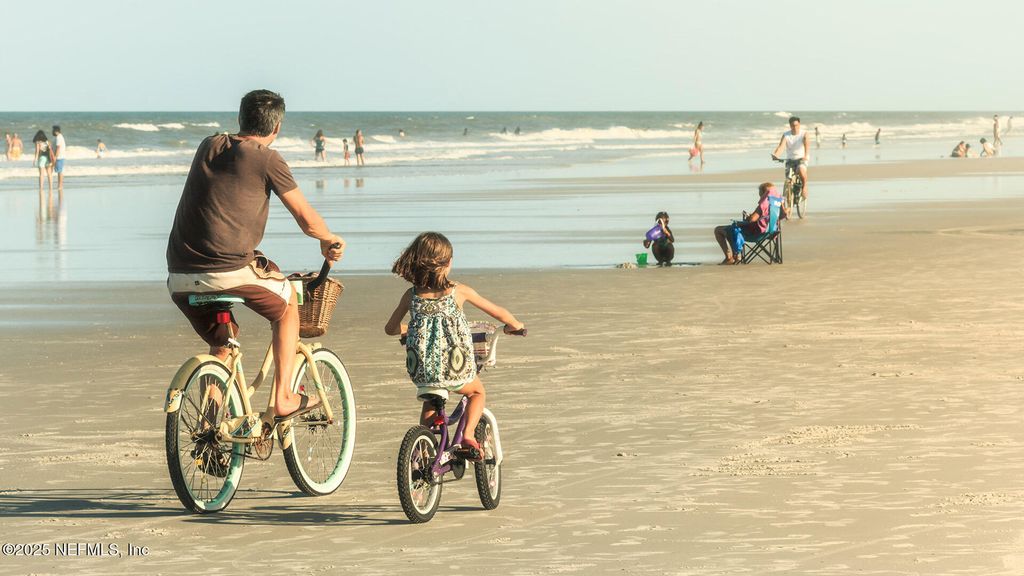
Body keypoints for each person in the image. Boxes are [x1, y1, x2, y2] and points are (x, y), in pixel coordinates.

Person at [166, 89, 345, 421]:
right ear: (277, 127)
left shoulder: (208, 145)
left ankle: (210, 427)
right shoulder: (268, 159)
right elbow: (306, 219)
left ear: (240, 118)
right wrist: (329, 239)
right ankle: (284, 398)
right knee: (288, 303)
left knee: (223, 345)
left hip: (179, 275)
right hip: (228, 271)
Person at [384, 232, 525, 460]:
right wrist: (515, 325)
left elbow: (390, 328)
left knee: (431, 400)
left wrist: (410, 329)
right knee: (477, 392)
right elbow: (497, 312)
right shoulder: (458, 291)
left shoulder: (411, 296)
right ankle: (468, 436)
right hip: (454, 368)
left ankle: (423, 448)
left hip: (421, 370)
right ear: (448, 263)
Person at [713, 182, 788, 265]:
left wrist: (749, 217)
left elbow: (752, 219)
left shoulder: (764, 205)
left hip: (756, 233)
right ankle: (735, 256)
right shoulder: (776, 204)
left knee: (720, 230)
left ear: (763, 193)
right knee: (732, 229)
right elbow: (783, 215)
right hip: (771, 232)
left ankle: (730, 257)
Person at [771, 116, 810, 199]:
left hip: (801, 158)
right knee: (788, 179)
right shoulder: (786, 135)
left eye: (796, 125)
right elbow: (781, 146)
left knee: (801, 170)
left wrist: (806, 155)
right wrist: (776, 155)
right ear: (790, 125)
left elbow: (807, 145)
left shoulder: (804, 134)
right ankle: (789, 198)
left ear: (799, 124)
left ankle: (804, 187)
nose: (795, 127)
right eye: (792, 125)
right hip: (790, 159)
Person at [52, 126, 66, 193]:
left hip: (59, 156)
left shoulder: (58, 137)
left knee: (60, 171)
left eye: (53, 130)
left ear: (56, 131)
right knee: (60, 171)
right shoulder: (60, 137)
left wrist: (55, 157)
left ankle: (60, 186)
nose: (52, 132)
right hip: (60, 156)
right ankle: (60, 185)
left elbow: (58, 148)